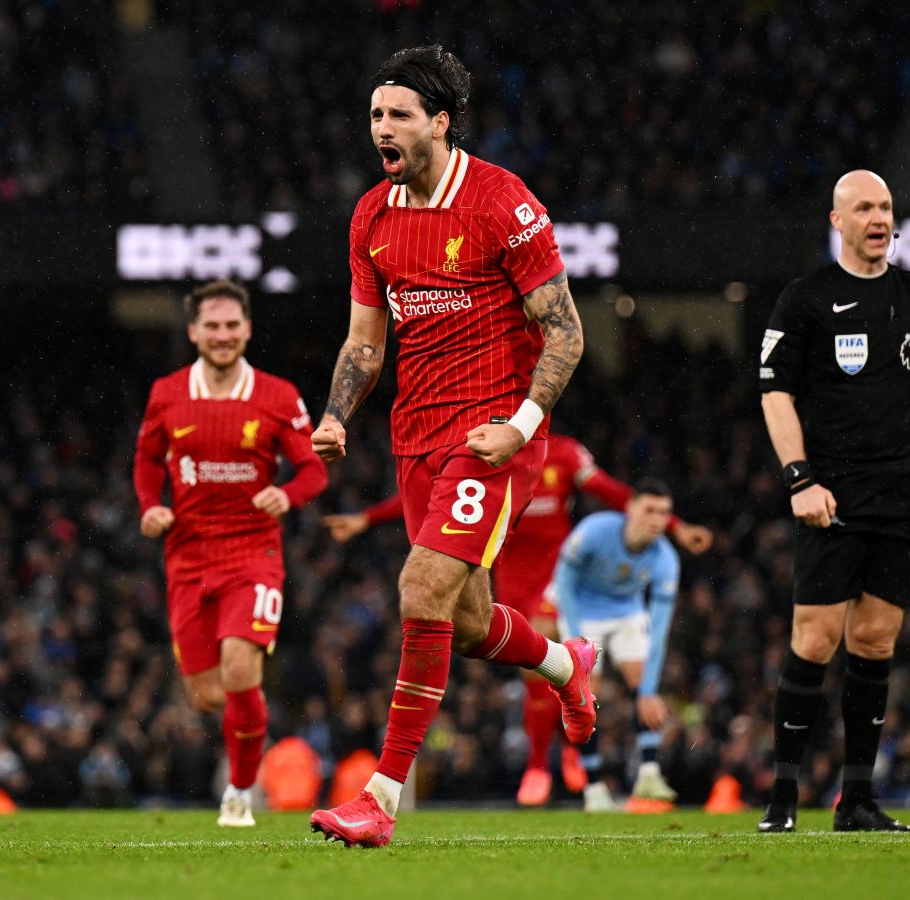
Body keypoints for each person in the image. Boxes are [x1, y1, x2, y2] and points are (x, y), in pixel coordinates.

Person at [308, 45, 593, 848]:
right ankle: (566, 667)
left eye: (398, 114)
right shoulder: (371, 216)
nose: (382, 128)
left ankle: (380, 799)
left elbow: (567, 331)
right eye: (375, 115)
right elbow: (366, 342)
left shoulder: (503, 202)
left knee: (420, 589)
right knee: (464, 622)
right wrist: (336, 415)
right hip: (415, 437)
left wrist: (521, 427)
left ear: (439, 122)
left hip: (491, 435)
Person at [323, 435, 713, 806]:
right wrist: (366, 519)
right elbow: (433, 498)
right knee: (531, 668)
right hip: (509, 573)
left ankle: (547, 760)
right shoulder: (487, 449)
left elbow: (614, 492)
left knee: (548, 642)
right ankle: (554, 747)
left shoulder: (564, 453)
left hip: (555, 572)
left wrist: (676, 527)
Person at [757, 170, 910, 833]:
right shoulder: (807, 298)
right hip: (830, 490)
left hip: (900, 491)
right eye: (864, 208)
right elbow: (774, 393)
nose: (878, 218)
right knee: (816, 638)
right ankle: (783, 799)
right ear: (837, 221)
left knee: (876, 641)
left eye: (885, 207)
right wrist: (800, 479)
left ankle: (856, 801)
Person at [134, 279, 328, 827]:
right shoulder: (167, 393)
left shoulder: (277, 395)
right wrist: (151, 505)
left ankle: (240, 792)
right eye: (212, 326)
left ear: (247, 330)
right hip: (188, 556)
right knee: (206, 694)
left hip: (253, 552)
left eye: (232, 325)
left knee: (241, 669)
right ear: (194, 332)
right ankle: (249, 731)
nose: (223, 335)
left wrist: (287, 495)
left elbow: (312, 469)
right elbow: (147, 458)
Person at [550, 480, 683, 812]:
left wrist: (649, 690)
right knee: (585, 694)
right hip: (581, 611)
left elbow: (660, 629)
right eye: (649, 510)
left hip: (626, 611)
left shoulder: (666, 559)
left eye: (664, 513)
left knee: (642, 681)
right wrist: (578, 641)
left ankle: (649, 773)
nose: (657, 520)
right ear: (630, 508)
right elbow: (564, 583)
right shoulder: (595, 531)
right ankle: (594, 789)